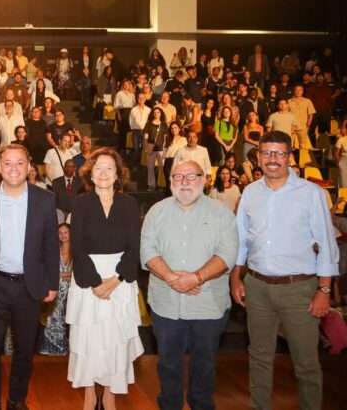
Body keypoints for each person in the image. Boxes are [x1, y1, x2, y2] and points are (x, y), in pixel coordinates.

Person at [230, 131, 339, 410]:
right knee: (259, 358)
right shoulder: (250, 192)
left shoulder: (311, 193)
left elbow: (327, 246)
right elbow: (242, 240)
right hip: (257, 287)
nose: (273, 159)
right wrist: (235, 277)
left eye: (279, 153)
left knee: (306, 363)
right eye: (267, 153)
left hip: (299, 290)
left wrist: (323, 290)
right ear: (259, 157)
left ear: (289, 156)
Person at [140, 159, 238, 410]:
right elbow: (147, 250)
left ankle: (201, 405)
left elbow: (228, 253)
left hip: (207, 304)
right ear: (170, 181)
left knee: (204, 363)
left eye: (191, 176)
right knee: (168, 363)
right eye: (178, 177)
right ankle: (170, 405)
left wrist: (196, 278)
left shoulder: (221, 212)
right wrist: (173, 278)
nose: (184, 182)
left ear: (204, 180)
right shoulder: (156, 211)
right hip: (166, 304)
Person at [0, 143, 59, 410]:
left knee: (24, 350)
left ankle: (17, 399)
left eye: (20, 163)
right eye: (7, 163)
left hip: (29, 287)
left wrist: (52, 283)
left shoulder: (45, 199)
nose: (14, 169)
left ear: (30, 167)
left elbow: (50, 246)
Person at [66, 148, 143, 410]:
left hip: (120, 279)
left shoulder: (130, 204)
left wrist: (116, 279)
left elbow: (135, 246)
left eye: (109, 168)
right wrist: (96, 282)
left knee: (114, 340)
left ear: (118, 174)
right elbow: (76, 246)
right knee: (89, 339)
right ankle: (89, 393)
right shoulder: (81, 203)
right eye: (98, 167)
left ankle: (109, 393)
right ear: (90, 172)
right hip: (88, 278)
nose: (103, 173)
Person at [39, 222, 72, 356]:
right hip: (55, 288)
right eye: (60, 233)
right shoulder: (54, 251)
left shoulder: (76, 251)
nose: (63, 235)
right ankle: (52, 346)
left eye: (66, 232)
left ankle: (63, 345)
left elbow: (79, 272)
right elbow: (48, 271)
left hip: (73, 289)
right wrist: (65, 275)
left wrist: (63, 275)